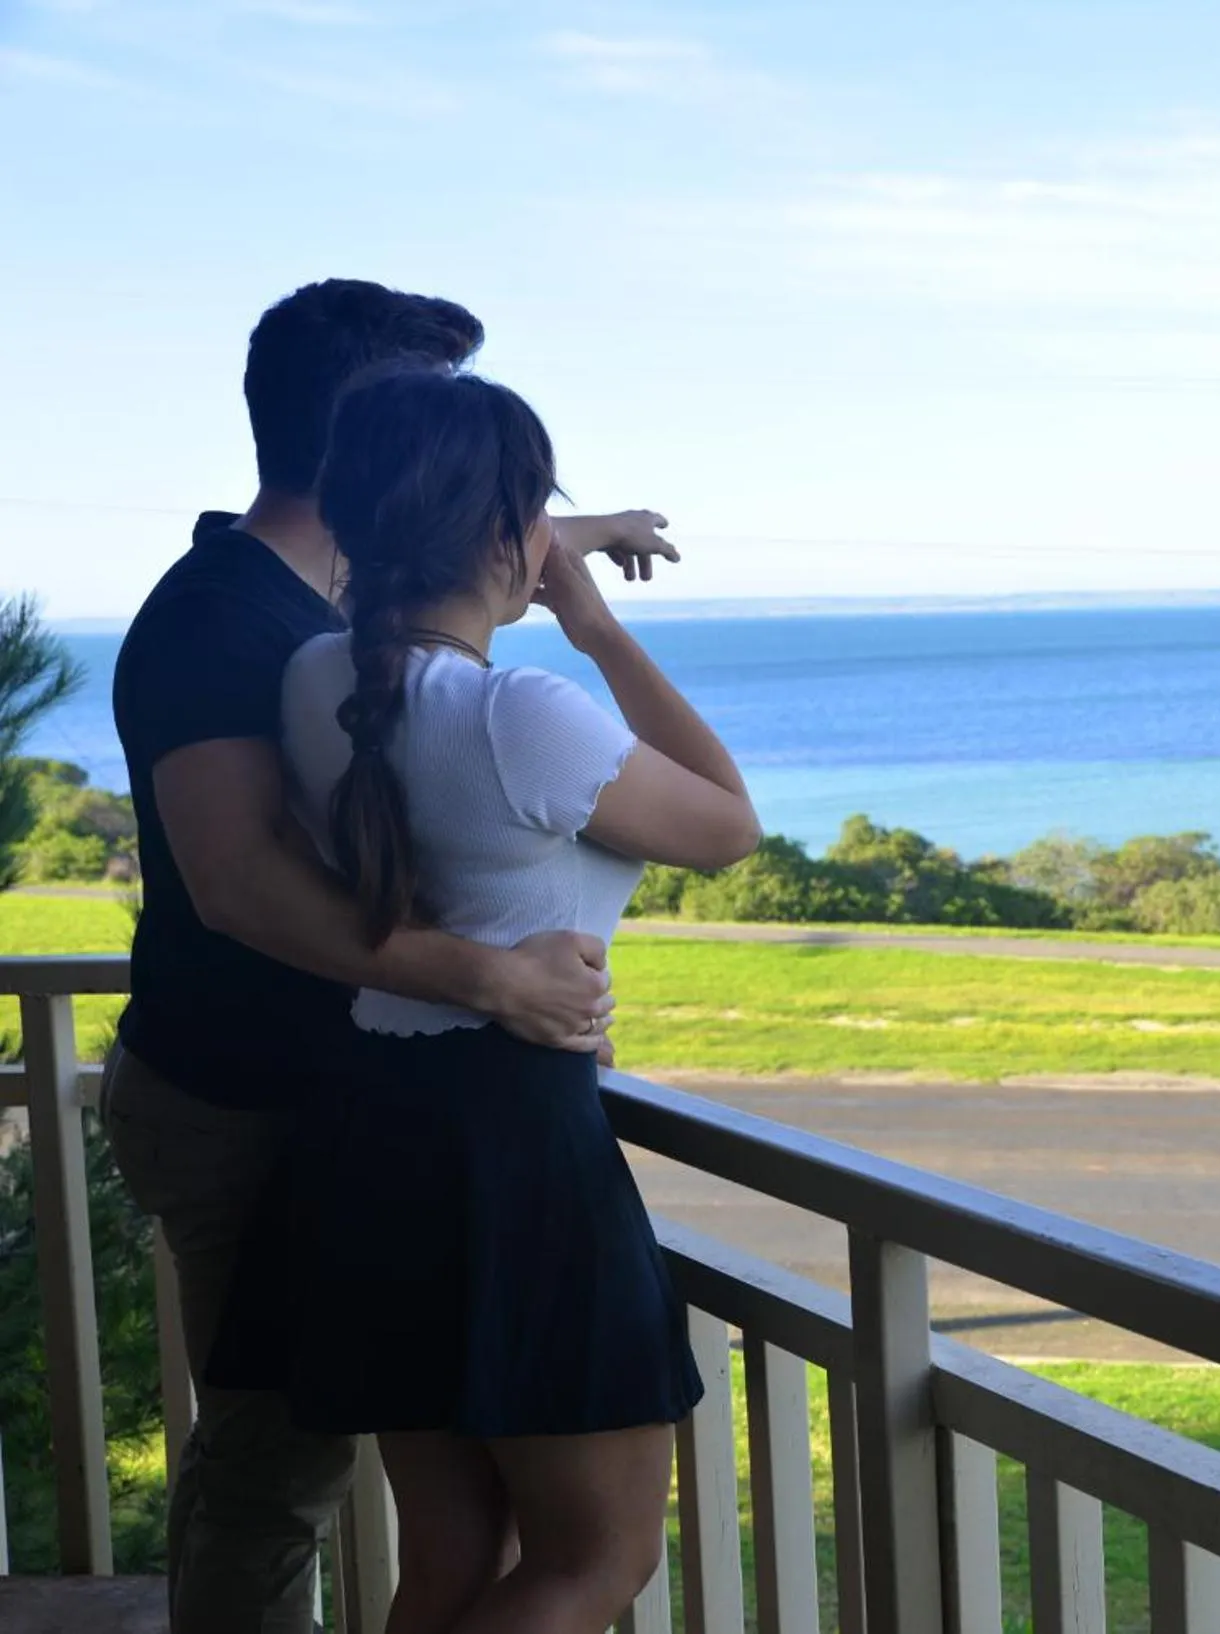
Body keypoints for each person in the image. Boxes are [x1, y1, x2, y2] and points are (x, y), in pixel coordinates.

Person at [103, 277, 680, 1634]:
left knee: (441, 1538)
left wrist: (571, 536)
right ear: (377, 433)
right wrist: (487, 976)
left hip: (351, 1101)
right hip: (243, 1098)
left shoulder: (316, 618)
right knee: (272, 1469)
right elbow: (239, 884)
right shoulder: (222, 625)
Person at [211, 364, 761, 1634]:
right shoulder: (523, 712)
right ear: (511, 535)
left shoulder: (313, 681)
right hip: (511, 1134)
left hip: (373, 1124)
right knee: (594, 1557)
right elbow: (727, 825)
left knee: (453, 1556)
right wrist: (598, 625)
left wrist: (552, 538)